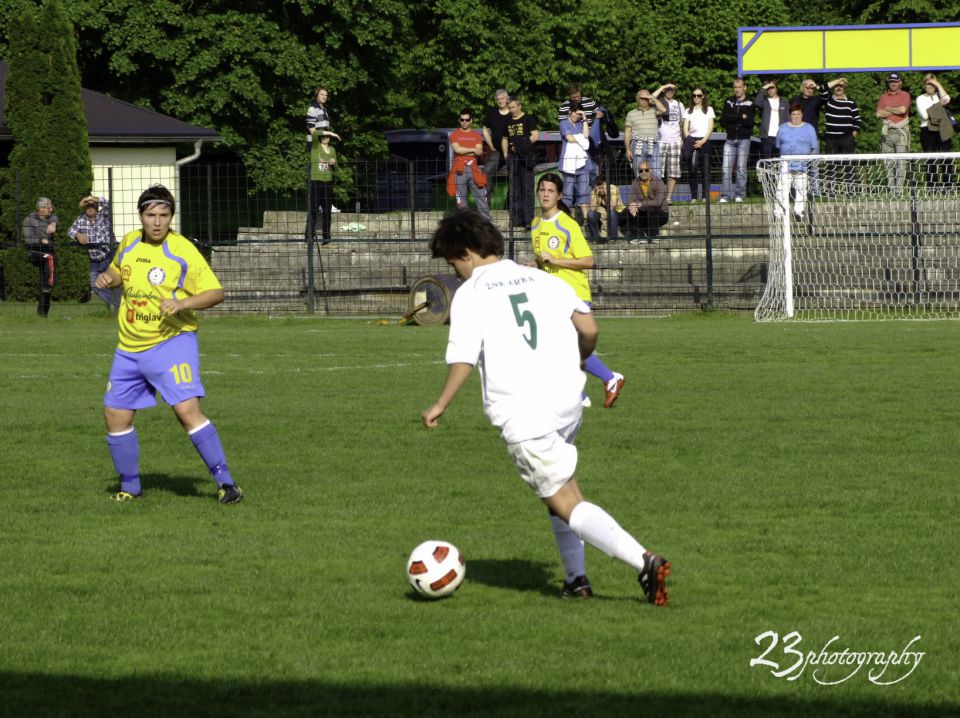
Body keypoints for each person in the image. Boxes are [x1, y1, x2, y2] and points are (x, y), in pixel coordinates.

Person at [422, 208, 669, 605]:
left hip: (525, 411)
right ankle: (576, 580)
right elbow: (589, 329)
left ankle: (644, 561)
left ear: (466, 253)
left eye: (453, 263)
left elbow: (464, 358)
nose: (457, 272)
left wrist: (440, 404)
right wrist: (579, 356)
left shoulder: (471, 293)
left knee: (566, 502)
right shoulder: (542, 278)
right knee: (560, 490)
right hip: (567, 400)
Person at [94, 185, 243, 505]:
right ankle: (130, 487)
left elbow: (216, 293)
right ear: (141, 216)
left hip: (172, 343)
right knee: (115, 416)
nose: (157, 222)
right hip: (129, 347)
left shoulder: (183, 251)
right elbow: (121, 271)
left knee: (186, 410)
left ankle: (226, 483)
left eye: (164, 215)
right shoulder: (130, 242)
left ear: (172, 217)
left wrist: (182, 303)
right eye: (151, 215)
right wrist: (109, 277)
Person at [531, 172, 624, 409]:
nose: (545, 194)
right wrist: (532, 265)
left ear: (559, 195)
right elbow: (545, 262)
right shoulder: (535, 225)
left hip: (573, 293)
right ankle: (585, 394)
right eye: (542, 189)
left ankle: (606, 380)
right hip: (552, 295)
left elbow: (588, 260)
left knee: (563, 348)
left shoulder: (567, 224)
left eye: (551, 191)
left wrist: (556, 261)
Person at [68, 195, 119, 311]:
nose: (90, 208)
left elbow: (107, 204)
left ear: (97, 207)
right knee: (94, 284)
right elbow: (70, 230)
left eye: (93, 206)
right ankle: (117, 304)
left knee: (114, 283)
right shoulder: (81, 219)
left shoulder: (103, 216)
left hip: (108, 256)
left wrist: (94, 199)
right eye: (88, 206)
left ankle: (117, 307)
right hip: (94, 259)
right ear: (84, 208)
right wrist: (77, 234)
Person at [775, 104, 818, 221]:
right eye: (793, 114)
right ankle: (779, 213)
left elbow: (814, 148)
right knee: (781, 189)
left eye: (798, 114)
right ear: (790, 115)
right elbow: (778, 146)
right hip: (785, 165)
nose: (796, 117)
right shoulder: (782, 128)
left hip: (802, 165)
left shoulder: (809, 128)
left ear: (802, 114)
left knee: (801, 189)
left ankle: (798, 212)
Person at [502, 96, 539, 229]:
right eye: (509, 107)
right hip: (512, 158)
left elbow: (535, 136)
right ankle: (516, 220)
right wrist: (506, 155)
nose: (511, 110)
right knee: (514, 189)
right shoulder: (507, 121)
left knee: (527, 188)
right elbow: (504, 139)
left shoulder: (528, 119)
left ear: (519, 106)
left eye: (513, 107)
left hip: (526, 157)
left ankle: (528, 220)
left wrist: (519, 145)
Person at [719, 77, 756, 202]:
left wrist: (733, 117)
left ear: (744, 88)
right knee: (726, 168)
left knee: (741, 168)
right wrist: (740, 116)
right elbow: (723, 119)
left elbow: (749, 122)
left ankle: (739, 195)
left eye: (739, 87)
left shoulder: (750, 103)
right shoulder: (728, 101)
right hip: (729, 139)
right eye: (735, 87)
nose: (737, 90)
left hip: (744, 140)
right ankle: (726, 196)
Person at [448, 109, 490, 218]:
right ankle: (464, 224)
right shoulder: (454, 134)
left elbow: (479, 151)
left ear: (471, 120)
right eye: (462, 119)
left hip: (473, 168)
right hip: (459, 169)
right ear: (459, 120)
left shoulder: (476, 135)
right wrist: (473, 150)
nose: (464, 122)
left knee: (481, 195)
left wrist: (466, 150)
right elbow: (457, 150)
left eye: (467, 119)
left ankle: (486, 222)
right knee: (461, 200)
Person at [916, 73, 955, 190]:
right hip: (927, 130)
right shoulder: (920, 98)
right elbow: (924, 116)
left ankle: (948, 188)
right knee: (931, 160)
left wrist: (937, 84)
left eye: (932, 83)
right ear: (924, 84)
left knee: (946, 159)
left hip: (942, 129)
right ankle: (932, 189)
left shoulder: (939, 95)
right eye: (927, 83)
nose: (930, 85)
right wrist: (939, 106)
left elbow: (947, 99)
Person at [821, 80, 861, 192]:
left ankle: (851, 191)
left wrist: (853, 134)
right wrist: (838, 80)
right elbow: (822, 88)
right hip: (831, 138)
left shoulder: (851, 103)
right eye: (836, 86)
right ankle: (831, 191)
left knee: (849, 165)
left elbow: (857, 120)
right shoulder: (828, 100)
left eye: (841, 86)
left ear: (845, 88)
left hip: (847, 138)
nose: (838, 88)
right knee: (831, 165)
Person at [306, 86, 341, 212]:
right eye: (322, 94)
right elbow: (312, 130)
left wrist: (327, 140)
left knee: (326, 171)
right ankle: (320, 205)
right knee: (317, 175)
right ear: (317, 95)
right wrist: (330, 135)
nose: (324, 97)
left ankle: (325, 204)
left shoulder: (324, 110)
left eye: (326, 95)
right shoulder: (312, 109)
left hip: (324, 143)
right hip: (315, 144)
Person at [22, 197, 59, 317]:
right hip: (35, 252)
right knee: (50, 258)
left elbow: (55, 218)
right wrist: (40, 240)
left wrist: (53, 224)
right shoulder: (28, 220)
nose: (51, 209)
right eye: (49, 208)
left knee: (51, 257)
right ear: (41, 209)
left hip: (48, 252)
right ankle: (48, 285)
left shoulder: (50, 218)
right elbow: (28, 240)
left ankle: (42, 314)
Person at [876, 72, 911, 195]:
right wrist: (894, 110)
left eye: (895, 81)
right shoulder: (883, 97)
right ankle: (892, 191)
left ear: (900, 82)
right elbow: (878, 114)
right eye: (891, 81)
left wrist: (888, 109)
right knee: (888, 163)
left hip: (901, 132)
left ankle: (899, 191)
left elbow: (903, 110)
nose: (893, 84)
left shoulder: (905, 95)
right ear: (888, 82)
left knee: (901, 162)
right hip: (887, 132)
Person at [558, 102, 593, 220]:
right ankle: (563, 217)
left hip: (583, 163)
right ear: (570, 112)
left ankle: (586, 219)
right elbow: (570, 138)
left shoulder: (581, 123)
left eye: (579, 115)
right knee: (567, 193)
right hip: (569, 162)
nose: (576, 117)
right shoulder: (563, 123)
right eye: (575, 114)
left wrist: (584, 118)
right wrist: (582, 140)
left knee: (584, 193)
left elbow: (586, 135)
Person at [620, 161, 669, 243]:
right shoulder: (635, 182)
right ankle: (639, 236)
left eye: (646, 170)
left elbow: (658, 202)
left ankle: (655, 236)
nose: (644, 172)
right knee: (629, 211)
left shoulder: (658, 182)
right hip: (645, 213)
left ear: (651, 170)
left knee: (651, 208)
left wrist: (640, 204)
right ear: (638, 172)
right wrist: (632, 206)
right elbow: (631, 199)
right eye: (641, 170)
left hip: (660, 214)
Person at [652, 82, 684, 202]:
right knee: (658, 172)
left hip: (675, 141)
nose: (670, 92)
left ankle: (669, 198)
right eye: (668, 90)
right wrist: (661, 87)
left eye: (672, 90)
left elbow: (683, 123)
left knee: (673, 171)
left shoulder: (679, 104)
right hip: (661, 141)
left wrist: (681, 139)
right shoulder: (659, 102)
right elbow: (651, 98)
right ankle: (659, 196)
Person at [682, 87, 715, 202]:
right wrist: (689, 139)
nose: (696, 97)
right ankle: (694, 197)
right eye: (694, 95)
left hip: (704, 141)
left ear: (703, 96)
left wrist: (703, 141)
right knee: (692, 170)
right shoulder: (688, 110)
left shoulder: (709, 109)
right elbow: (685, 127)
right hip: (691, 140)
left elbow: (711, 127)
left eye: (699, 95)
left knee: (705, 169)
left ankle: (705, 197)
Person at [624, 89, 663, 179]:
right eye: (642, 98)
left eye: (646, 98)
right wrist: (627, 149)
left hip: (653, 144)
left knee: (656, 174)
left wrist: (653, 98)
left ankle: (655, 193)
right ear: (637, 99)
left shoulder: (655, 112)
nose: (644, 100)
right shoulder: (631, 114)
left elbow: (663, 109)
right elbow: (627, 132)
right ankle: (641, 193)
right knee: (639, 174)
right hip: (637, 144)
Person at [308, 132, 338, 246]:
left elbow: (335, 168)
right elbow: (315, 133)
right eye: (325, 136)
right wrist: (331, 132)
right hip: (316, 181)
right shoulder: (315, 146)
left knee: (327, 212)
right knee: (313, 210)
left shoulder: (333, 150)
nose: (327, 138)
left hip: (328, 183)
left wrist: (333, 163)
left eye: (328, 136)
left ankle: (326, 239)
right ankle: (309, 236)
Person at [585, 171, 623, 243]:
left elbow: (612, 207)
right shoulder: (595, 190)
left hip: (617, 213)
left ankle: (613, 238)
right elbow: (592, 209)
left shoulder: (613, 188)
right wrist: (596, 194)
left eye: (603, 186)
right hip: (601, 215)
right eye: (600, 187)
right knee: (590, 214)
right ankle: (596, 238)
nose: (601, 189)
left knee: (611, 213)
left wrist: (606, 193)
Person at [755, 80, 790, 160]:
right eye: (768, 88)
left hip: (780, 136)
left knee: (779, 162)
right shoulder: (764, 101)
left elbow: (787, 119)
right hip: (766, 137)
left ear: (776, 89)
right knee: (767, 162)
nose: (770, 90)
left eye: (772, 88)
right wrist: (763, 88)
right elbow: (756, 103)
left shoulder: (784, 102)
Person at [482, 89, 511, 181]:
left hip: (512, 152)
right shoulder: (492, 113)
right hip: (497, 151)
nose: (500, 101)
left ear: (507, 99)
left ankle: (512, 195)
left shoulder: (513, 113)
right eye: (498, 99)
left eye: (502, 98)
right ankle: (487, 195)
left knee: (514, 174)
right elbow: (485, 129)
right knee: (487, 171)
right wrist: (491, 145)